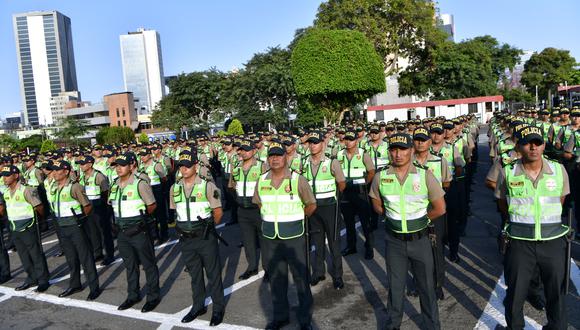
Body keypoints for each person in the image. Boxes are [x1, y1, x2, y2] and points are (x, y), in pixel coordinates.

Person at [495, 125, 570, 329]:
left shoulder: (558, 169)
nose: (533, 148)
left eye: (538, 143)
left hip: (552, 241)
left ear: (544, 145)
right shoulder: (508, 172)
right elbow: (503, 203)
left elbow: (560, 199)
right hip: (520, 243)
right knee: (516, 294)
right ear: (518, 146)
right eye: (528, 143)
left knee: (556, 294)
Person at [369, 133, 446, 330]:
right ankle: (393, 325)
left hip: (420, 240)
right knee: (395, 288)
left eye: (403, 149)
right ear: (389, 152)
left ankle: (431, 326)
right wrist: (387, 214)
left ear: (411, 151)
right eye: (394, 149)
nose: (398, 154)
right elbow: (376, 200)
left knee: (427, 287)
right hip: (394, 241)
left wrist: (423, 220)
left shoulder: (424, 174)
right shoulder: (381, 176)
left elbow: (440, 207)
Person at [253, 141, 317, 330]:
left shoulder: (298, 180)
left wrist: (295, 219)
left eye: (278, 155)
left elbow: (311, 205)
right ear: (267, 159)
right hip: (270, 238)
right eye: (271, 155)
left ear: (286, 157)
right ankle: (281, 316)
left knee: (300, 279)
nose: (274, 159)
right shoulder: (262, 180)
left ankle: (305, 320)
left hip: (294, 237)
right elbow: (258, 203)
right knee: (276, 278)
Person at [170, 151, 225, 326]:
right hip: (186, 238)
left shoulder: (208, 186)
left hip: (205, 237)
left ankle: (218, 308)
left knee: (213, 274)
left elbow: (218, 212)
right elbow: (176, 211)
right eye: (181, 166)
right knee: (195, 275)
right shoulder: (175, 187)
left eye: (187, 165)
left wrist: (207, 229)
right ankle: (198, 306)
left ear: (195, 166)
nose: (184, 169)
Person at [109, 153, 161, 313]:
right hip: (122, 232)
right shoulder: (115, 184)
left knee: (148, 264)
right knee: (130, 265)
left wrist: (141, 220)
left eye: (122, 165)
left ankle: (153, 296)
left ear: (131, 166)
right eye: (116, 165)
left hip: (138, 230)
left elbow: (151, 205)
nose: (118, 168)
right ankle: (133, 295)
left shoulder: (140, 183)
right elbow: (111, 204)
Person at [47, 160, 101, 300]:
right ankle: (75, 284)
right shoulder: (54, 187)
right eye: (53, 170)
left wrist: (80, 220)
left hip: (76, 226)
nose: (54, 173)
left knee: (86, 257)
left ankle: (94, 287)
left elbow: (87, 206)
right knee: (71, 258)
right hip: (62, 225)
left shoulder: (75, 187)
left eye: (58, 170)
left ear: (66, 171)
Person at [301, 131, 346, 289]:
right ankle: (318, 272)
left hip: (329, 207)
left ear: (323, 144)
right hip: (313, 208)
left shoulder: (331, 162)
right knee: (317, 242)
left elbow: (341, 183)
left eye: (316, 142)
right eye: (310, 142)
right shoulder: (304, 162)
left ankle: (338, 276)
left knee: (334, 243)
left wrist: (334, 198)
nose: (313, 145)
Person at [0, 165, 49, 291]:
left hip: (28, 226)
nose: (4, 178)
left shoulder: (25, 190)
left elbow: (39, 206)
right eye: (3, 176)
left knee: (35, 253)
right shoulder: (5, 192)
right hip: (15, 228)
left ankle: (43, 279)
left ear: (16, 176)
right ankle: (31, 278)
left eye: (7, 175)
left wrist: (40, 220)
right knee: (23, 255)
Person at [229, 139, 268, 280]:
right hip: (242, 209)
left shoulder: (262, 166)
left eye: (247, 150)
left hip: (258, 209)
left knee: (264, 240)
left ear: (254, 151)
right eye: (242, 150)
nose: (244, 153)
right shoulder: (237, 167)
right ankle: (252, 267)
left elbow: (268, 186)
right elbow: (232, 186)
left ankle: (268, 268)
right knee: (248, 240)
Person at [338, 129, 376, 259]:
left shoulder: (363, 153)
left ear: (356, 140)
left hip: (360, 192)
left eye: (351, 139)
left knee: (365, 222)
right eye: (346, 139)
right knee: (349, 222)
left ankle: (369, 247)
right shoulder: (339, 155)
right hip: (345, 192)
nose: (348, 142)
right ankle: (351, 246)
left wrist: (365, 185)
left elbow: (371, 171)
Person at [77, 155, 115, 266]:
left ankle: (110, 254)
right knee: (92, 231)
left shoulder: (99, 176)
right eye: (81, 164)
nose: (81, 166)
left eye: (83, 164)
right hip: (88, 206)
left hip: (99, 206)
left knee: (104, 232)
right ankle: (97, 253)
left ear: (90, 164)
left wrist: (103, 207)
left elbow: (105, 192)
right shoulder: (83, 177)